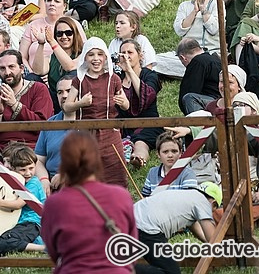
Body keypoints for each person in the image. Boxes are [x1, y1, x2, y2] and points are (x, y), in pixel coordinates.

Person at [40, 132, 137, 274]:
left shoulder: (55, 203)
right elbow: (130, 248)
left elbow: (53, 252)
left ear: (64, 163)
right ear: (96, 159)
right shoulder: (121, 196)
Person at [63, 38, 126, 188]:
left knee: (115, 173)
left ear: (105, 57)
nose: (96, 58)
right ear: (85, 57)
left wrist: (123, 103)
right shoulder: (79, 80)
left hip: (110, 133)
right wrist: (81, 103)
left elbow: (126, 104)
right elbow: (66, 106)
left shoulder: (114, 79)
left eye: (100, 54)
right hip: (87, 133)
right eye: (91, 55)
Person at [133, 183, 221, 274]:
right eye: (213, 210)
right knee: (171, 272)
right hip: (147, 228)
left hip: (133, 219)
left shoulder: (189, 196)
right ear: (213, 204)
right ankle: (127, 270)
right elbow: (213, 239)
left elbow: (195, 227)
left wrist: (207, 242)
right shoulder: (203, 202)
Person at [0, 145, 46, 258]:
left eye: (31, 168)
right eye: (23, 170)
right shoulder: (13, 181)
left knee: (2, 243)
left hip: (32, 223)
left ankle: (43, 248)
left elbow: (19, 204)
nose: (28, 173)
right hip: (15, 222)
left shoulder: (33, 183)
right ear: (14, 169)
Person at [155, 0, 221, 79]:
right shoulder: (184, 6)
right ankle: (193, 71)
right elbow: (179, 30)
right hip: (186, 55)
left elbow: (214, 29)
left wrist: (203, 8)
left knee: (202, 63)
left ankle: (193, 71)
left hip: (208, 53)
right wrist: (194, 11)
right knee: (154, 59)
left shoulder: (217, 4)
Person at [0, 50, 53, 150]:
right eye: (2, 68)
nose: (7, 72)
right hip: (1, 149)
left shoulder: (39, 89)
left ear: (22, 68)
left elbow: (42, 126)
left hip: (31, 149)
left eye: (11, 67)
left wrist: (15, 105)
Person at [114, 38, 163, 169]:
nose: (126, 56)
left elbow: (147, 96)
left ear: (140, 55)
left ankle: (138, 158)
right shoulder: (116, 78)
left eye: (130, 52)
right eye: (122, 52)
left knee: (141, 142)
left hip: (147, 122)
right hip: (122, 124)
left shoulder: (150, 75)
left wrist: (129, 70)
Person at [29, 15, 83, 110]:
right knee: (31, 78)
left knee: (73, 73)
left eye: (68, 33)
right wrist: (41, 43)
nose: (64, 36)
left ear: (75, 34)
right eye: (59, 34)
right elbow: (38, 72)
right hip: (55, 99)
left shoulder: (83, 54)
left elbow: (70, 67)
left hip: (75, 99)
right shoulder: (51, 57)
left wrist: (52, 41)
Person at [141, 132, 199, 197]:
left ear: (180, 153)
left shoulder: (188, 174)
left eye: (174, 151)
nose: (170, 155)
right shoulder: (152, 173)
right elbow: (145, 198)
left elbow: (188, 200)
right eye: (165, 152)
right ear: (158, 154)